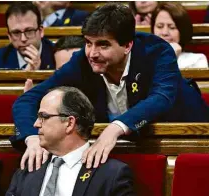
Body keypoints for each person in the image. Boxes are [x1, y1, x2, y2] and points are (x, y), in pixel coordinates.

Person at [11, 3, 209, 172]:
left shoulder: (156, 51)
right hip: (121, 154)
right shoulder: (83, 60)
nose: (92, 53)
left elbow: (161, 97)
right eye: (88, 43)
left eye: (103, 45)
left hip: (187, 140)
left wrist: (115, 128)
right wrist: (31, 137)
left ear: (127, 45)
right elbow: (27, 99)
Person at [7, 86, 135, 196]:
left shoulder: (112, 174)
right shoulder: (29, 167)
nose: (35, 124)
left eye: (43, 117)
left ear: (69, 123)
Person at [0, 2, 55, 70]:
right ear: (9, 36)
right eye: (16, 32)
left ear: (41, 31)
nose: (23, 39)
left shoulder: (58, 56)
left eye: (29, 31)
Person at [151, 2, 208, 69]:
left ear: (182, 31)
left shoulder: (197, 60)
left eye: (172, 27)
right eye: (159, 26)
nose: (165, 32)